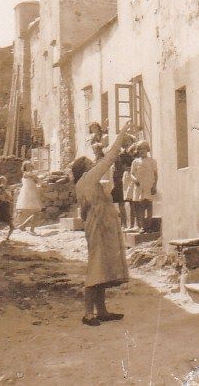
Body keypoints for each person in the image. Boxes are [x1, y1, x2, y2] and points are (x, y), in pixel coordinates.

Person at [70, 121, 133, 326]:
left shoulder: (85, 183)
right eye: (90, 164)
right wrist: (121, 133)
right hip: (98, 225)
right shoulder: (89, 179)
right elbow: (109, 158)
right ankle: (88, 313)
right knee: (96, 267)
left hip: (97, 224)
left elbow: (86, 208)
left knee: (101, 266)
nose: (94, 164)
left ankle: (101, 311)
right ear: (85, 169)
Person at [129, 141, 158, 233]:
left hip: (148, 185)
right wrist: (134, 180)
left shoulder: (152, 161)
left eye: (144, 149)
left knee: (149, 206)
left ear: (147, 150)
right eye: (140, 149)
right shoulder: (135, 162)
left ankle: (149, 226)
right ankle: (142, 227)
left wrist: (154, 186)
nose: (142, 151)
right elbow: (132, 174)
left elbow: (155, 174)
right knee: (141, 207)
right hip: (139, 186)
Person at [111, 134, 135, 229]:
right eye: (123, 141)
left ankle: (132, 225)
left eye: (127, 141)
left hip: (130, 179)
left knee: (132, 203)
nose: (125, 143)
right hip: (119, 180)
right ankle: (124, 224)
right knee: (121, 203)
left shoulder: (133, 154)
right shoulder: (119, 155)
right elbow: (117, 168)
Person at [16, 160, 43, 235]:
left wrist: (38, 180)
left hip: (32, 194)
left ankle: (23, 226)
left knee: (36, 212)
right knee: (36, 212)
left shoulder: (31, 174)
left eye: (31, 166)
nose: (30, 167)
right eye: (28, 166)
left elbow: (37, 181)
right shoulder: (26, 174)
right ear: (25, 167)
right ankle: (31, 229)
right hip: (28, 195)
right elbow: (35, 178)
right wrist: (38, 178)